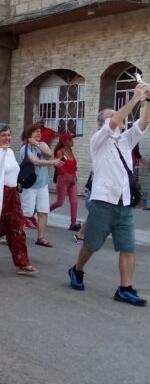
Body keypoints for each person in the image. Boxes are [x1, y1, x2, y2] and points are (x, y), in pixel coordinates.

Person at [68, 82, 150, 306]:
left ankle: (125, 288)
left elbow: (144, 122)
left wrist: (148, 100)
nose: (118, 118)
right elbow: (114, 121)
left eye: (119, 115)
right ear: (103, 123)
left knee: (128, 247)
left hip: (124, 203)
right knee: (91, 245)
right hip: (103, 202)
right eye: (112, 116)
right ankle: (77, 270)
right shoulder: (99, 141)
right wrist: (134, 98)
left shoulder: (126, 140)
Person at [0, 123, 38, 276]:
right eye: (3, 135)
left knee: (17, 227)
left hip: (13, 193)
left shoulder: (10, 152)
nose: (7, 138)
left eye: (9, 134)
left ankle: (23, 263)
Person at [19, 123, 64, 247]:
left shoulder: (42, 145)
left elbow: (50, 154)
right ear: (29, 134)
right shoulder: (25, 148)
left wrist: (38, 144)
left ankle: (41, 237)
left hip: (42, 184)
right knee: (26, 212)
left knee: (43, 211)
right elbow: (35, 162)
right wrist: (53, 163)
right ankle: (12, 234)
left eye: (40, 131)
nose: (38, 133)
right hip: (30, 184)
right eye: (35, 132)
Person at [50, 133, 80, 231]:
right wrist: (67, 175)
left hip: (73, 180)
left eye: (72, 139)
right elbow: (59, 165)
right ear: (64, 142)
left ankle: (73, 224)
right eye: (70, 139)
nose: (72, 141)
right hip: (63, 180)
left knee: (74, 201)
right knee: (59, 202)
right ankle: (43, 212)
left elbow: (74, 165)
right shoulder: (60, 152)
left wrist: (74, 175)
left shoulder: (70, 151)